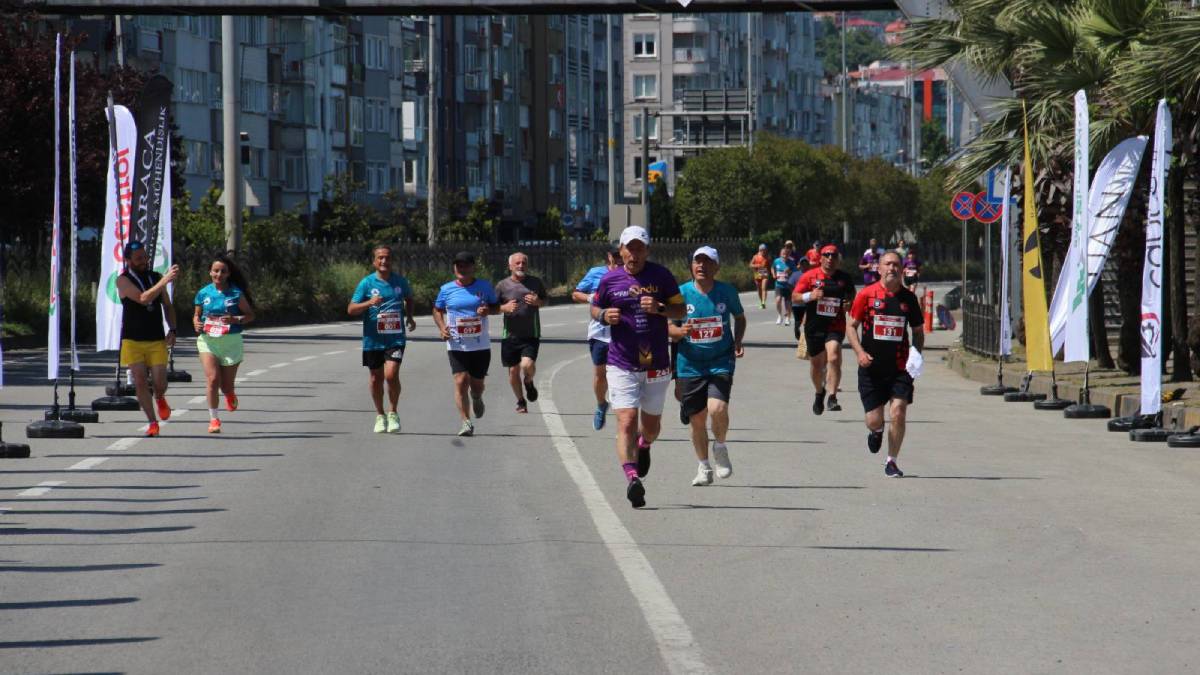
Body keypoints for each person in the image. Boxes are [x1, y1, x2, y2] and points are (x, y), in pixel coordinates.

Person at [591, 226, 686, 508]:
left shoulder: (662, 276)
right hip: (622, 363)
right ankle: (633, 479)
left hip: (656, 363)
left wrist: (659, 308)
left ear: (647, 250)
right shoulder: (609, 280)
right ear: (620, 251)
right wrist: (605, 315)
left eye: (639, 248)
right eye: (629, 248)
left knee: (651, 427)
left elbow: (680, 311)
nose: (634, 253)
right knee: (626, 421)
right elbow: (594, 309)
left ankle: (644, 445)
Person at [669, 246, 746, 486]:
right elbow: (669, 326)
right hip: (689, 364)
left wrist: (738, 340)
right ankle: (703, 467)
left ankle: (720, 447)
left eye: (707, 261)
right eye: (697, 261)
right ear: (691, 266)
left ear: (716, 266)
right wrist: (679, 332)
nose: (701, 266)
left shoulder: (727, 292)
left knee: (717, 408)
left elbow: (740, 317)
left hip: (720, 360)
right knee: (698, 419)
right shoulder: (680, 293)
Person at [846, 251, 925, 478]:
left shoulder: (908, 299)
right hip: (871, 368)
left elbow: (918, 332)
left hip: (900, 368)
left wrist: (916, 355)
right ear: (878, 268)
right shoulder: (867, 295)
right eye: (887, 264)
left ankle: (892, 461)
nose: (892, 268)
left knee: (898, 411)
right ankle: (877, 430)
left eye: (896, 264)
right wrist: (860, 352)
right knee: (873, 419)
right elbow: (851, 327)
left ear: (902, 269)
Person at [348, 245, 416, 434]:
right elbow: (351, 309)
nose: (384, 261)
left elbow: (409, 298)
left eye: (387, 258)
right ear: (374, 261)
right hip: (372, 340)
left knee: (391, 375)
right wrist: (369, 303)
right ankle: (380, 415)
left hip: (395, 338)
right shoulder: (366, 283)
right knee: (375, 377)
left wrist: (409, 316)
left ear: (392, 260)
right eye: (380, 258)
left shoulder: (400, 282)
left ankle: (393, 412)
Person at [115, 241, 179, 437]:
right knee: (141, 381)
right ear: (128, 261)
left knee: (160, 381)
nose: (144, 261)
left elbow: (167, 306)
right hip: (132, 339)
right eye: (139, 259)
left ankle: (159, 397)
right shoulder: (122, 280)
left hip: (155, 338)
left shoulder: (155, 277)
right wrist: (164, 281)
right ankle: (152, 422)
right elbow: (143, 298)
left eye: (145, 257)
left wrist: (173, 329)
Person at [432, 252, 499, 437]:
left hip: (480, 345)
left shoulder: (484, 286)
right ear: (454, 268)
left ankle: (477, 397)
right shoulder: (446, 289)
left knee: (476, 384)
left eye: (466, 265)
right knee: (461, 381)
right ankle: (465, 422)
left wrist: (487, 310)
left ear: (472, 267)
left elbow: (496, 306)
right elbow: (437, 310)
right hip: (456, 344)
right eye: (458, 266)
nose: (462, 269)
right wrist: (442, 327)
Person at [193, 253, 256, 434]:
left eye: (222, 271)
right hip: (208, 341)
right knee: (212, 379)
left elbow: (251, 315)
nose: (218, 275)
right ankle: (214, 419)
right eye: (215, 271)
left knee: (225, 386)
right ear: (210, 272)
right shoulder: (203, 292)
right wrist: (196, 322)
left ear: (228, 274)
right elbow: (197, 314)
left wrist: (235, 319)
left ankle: (229, 394)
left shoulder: (236, 293)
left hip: (231, 341)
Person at [792, 244, 856, 415]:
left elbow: (852, 298)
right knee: (816, 365)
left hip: (835, 325)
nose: (830, 258)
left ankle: (832, 397)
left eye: (834, 256)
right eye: (826, 255)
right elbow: (795, 297)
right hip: (814, 326)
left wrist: (849, 304)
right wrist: (810, 295)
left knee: (834, 356)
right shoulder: (810, 276)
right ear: (820, 258)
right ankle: (819, 392)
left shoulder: (844, 278)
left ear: (838, 259)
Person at [573, 246, 622, 430]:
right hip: (599, 333)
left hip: (623, 334)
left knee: (620, 375)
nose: (618, 259)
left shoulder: (630, 274)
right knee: (600, 375)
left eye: (621, 255)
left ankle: (623, 422)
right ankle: (601, 404)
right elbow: (575, 293)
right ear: (609, 256)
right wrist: (590, 298)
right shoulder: (596, 273)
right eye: (615, 255)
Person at [496, 252, 547, 414]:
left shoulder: (535, 282)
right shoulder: (502, 286)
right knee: (512, 371)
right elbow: (491, 307)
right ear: (510, 266)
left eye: (524, 263)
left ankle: (529, 381)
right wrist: (504, 308)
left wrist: (538, 301)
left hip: (531, 334)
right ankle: (520, 401)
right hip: (510, 335)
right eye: (517, 263)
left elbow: (546, 300)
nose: (521, 266)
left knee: (527, 364)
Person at [771, 247, 797, 326]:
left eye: (786, 254)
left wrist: (789, 271)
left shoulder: (791, 262)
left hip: (788, 285)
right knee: (778, 300)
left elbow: (795, 272)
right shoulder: (776, 261)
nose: (784, 256)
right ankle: (779, 316)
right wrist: (773, 274)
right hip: (778, 284)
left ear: (788, 254)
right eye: (783, 254)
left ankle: (788, 318)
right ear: (780, 254)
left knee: (788, 303)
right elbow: (772, 268)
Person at [749, 244, 771, 309]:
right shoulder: (755, 257)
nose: (764, 251)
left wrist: (770, 272)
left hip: (765, 273)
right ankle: (761, 302)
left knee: (763, 288)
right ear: (760, 250)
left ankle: (764, 302)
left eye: (765, 250)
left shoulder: (767, 257)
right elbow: (750, 265)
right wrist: (757, 265)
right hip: (757, 273)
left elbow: (770, 266)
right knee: (759, 289)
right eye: (762, 250)